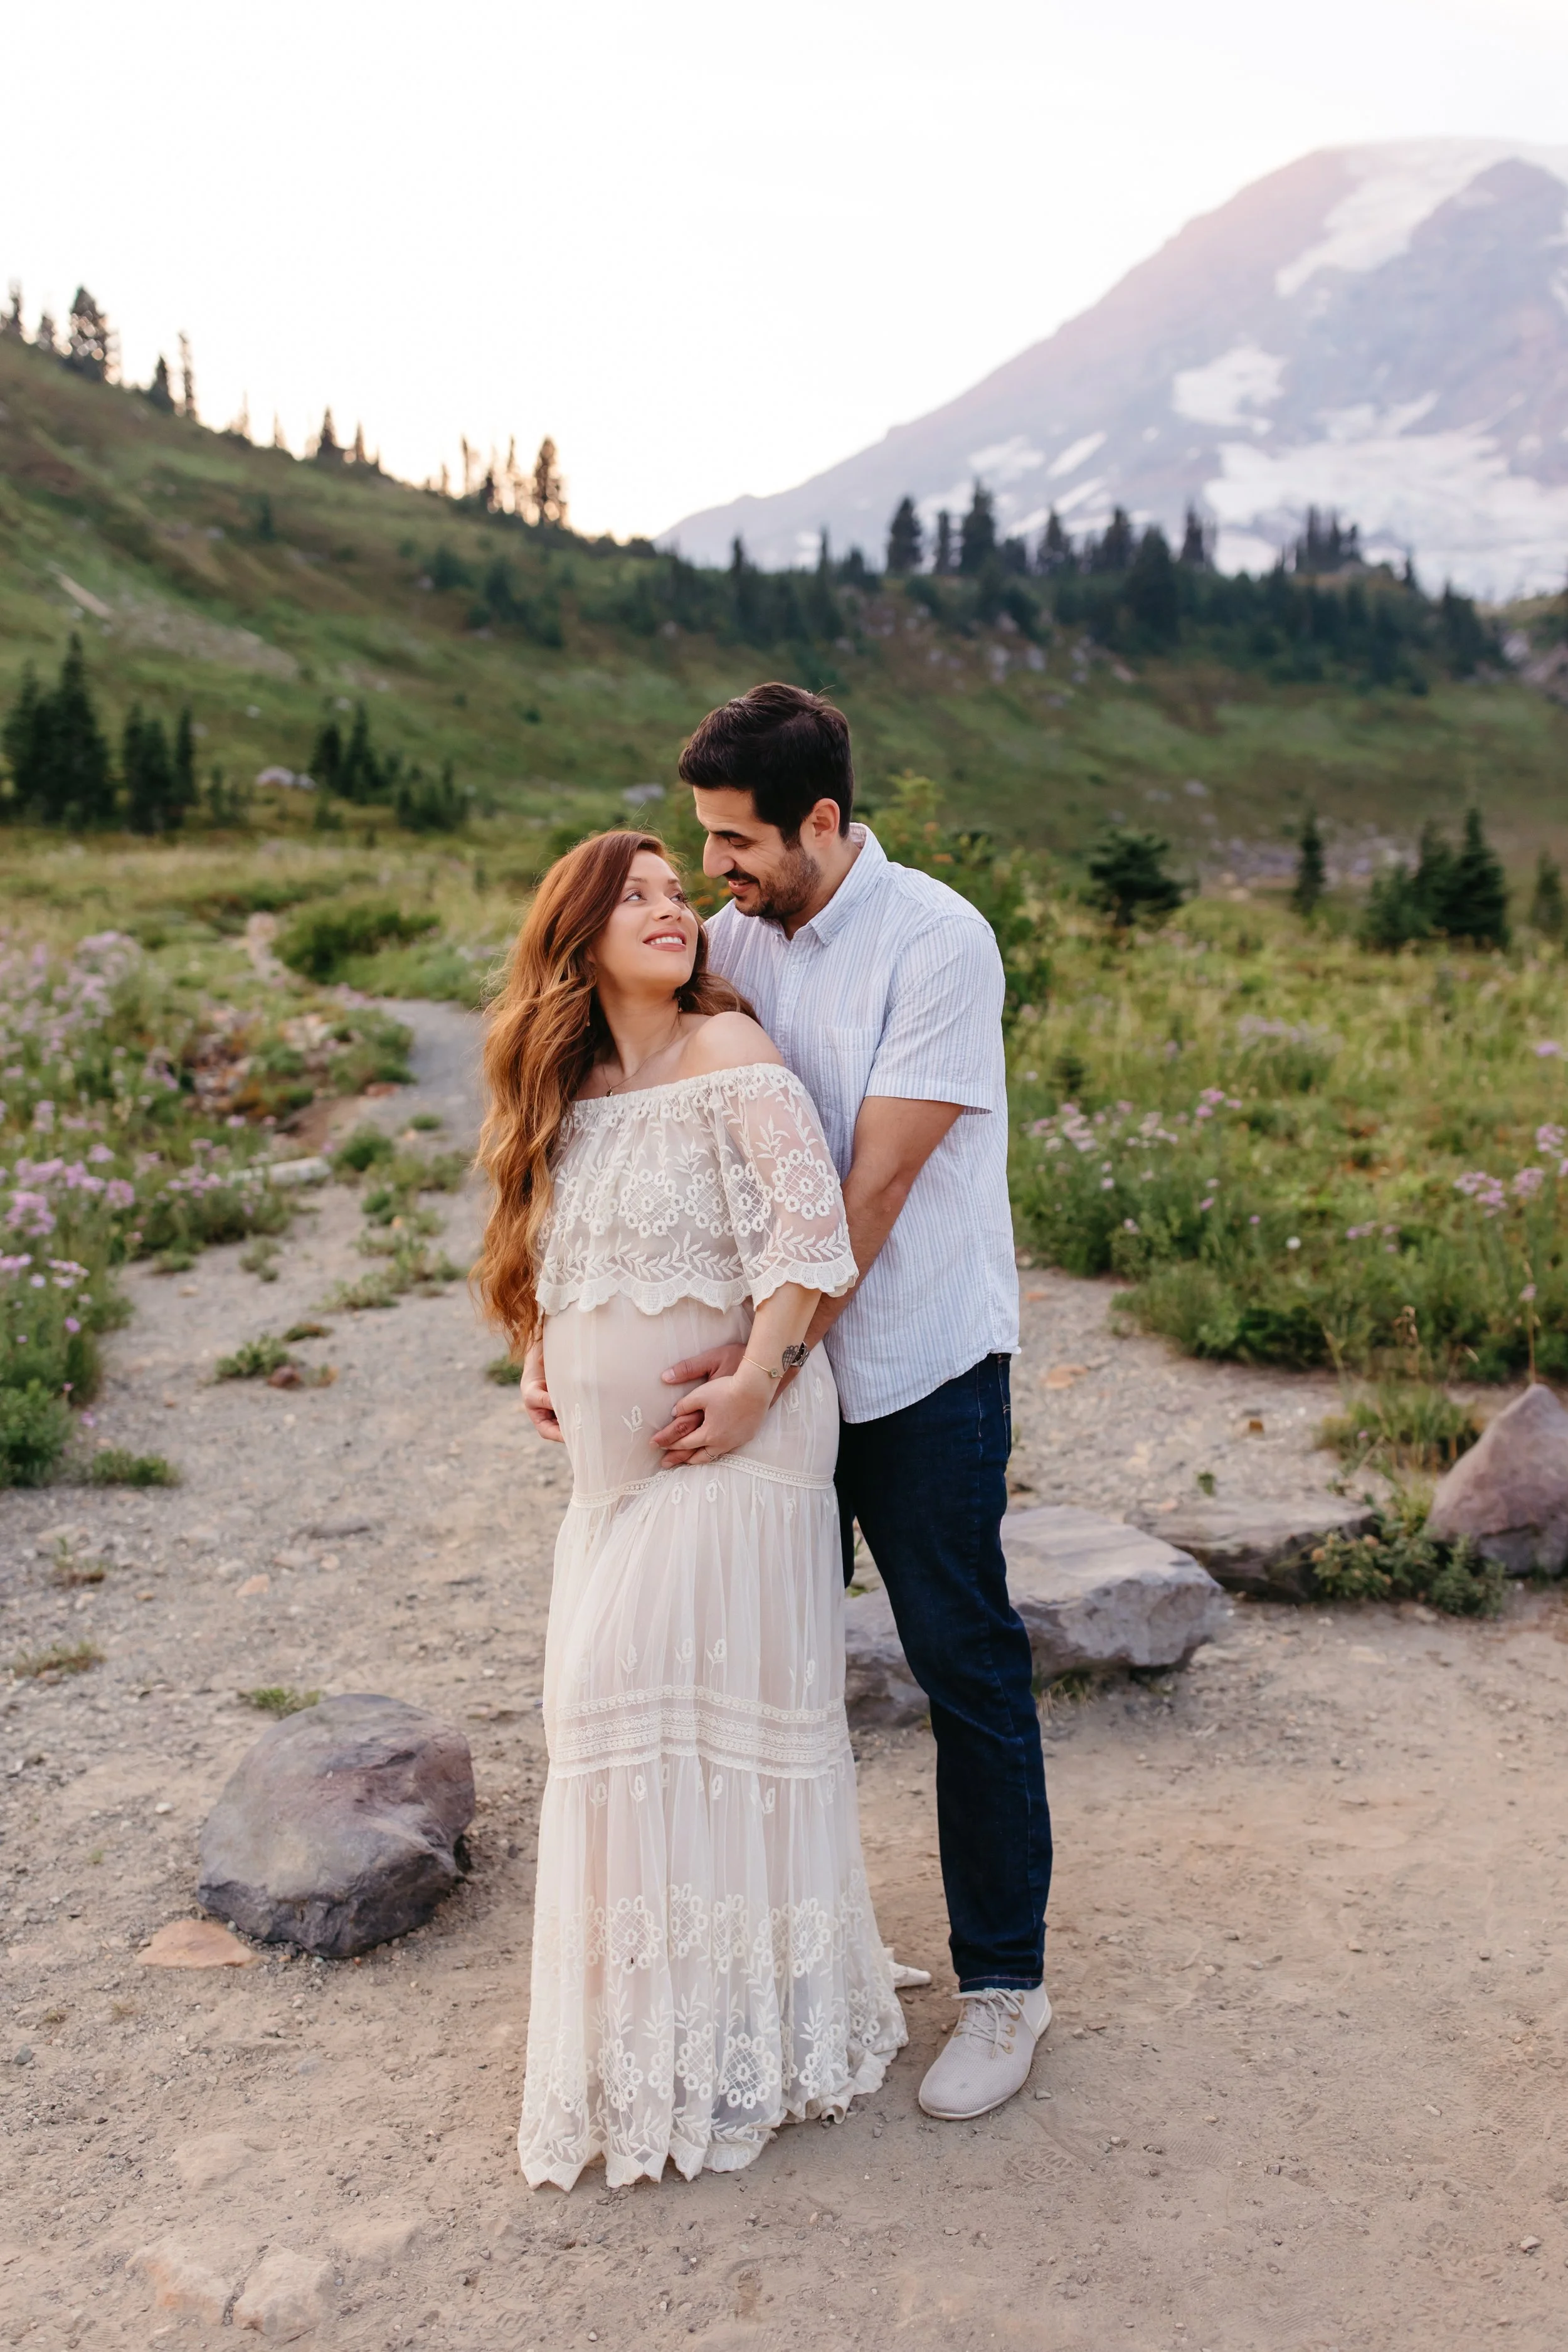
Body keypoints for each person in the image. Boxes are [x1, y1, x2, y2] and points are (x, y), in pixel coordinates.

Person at [478, 828, 906, 2191]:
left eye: (681, 895)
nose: (673, 913)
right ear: (576, 930)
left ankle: (735, 2036)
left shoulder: (735, 1058)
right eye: (637, 897)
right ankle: (662, 2026)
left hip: (739, 1450)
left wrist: (754, 1392)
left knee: (657, 1718)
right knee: (608, 1724)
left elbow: (807, 1245)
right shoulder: (570, 1082)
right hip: (611, 1482)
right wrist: (539, 1350)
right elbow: (554, 1249)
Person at [657, 681, 1052, 2122]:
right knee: (769, 1665)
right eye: (703, 840)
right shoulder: (721, 943)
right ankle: (819, 1949)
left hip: (913, 1370)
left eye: (736, 840)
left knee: (964, 1665)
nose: (715, 870)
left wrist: (768, 1365)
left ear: (821, 821)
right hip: (771, 1378)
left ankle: (1005, 1987)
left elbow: (869, 1192)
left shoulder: (938, 939)